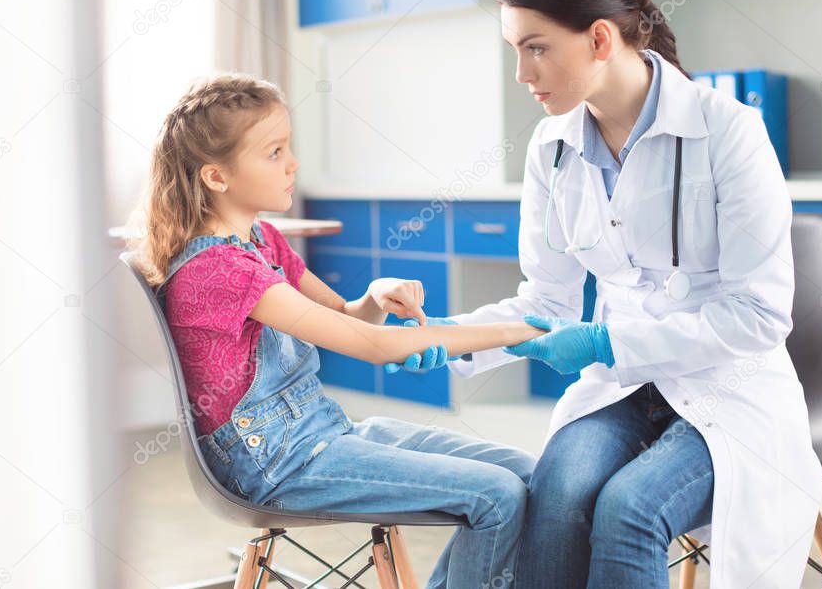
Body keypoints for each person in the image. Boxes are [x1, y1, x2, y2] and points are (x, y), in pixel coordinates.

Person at [412, 0, 822, 588]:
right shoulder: (551, 148)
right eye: (514, 50)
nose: (522, 74)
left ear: (599, 39)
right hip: (623, 385)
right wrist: (447, 336)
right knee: (557, 491)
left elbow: (757, 315)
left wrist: (606, 338)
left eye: (535, 47)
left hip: (730, 383)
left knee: (628, 510)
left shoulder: (727, 132)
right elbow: (543, 301)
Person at [127, 74, 544, 588]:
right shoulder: (220, 272)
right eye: (274, 152)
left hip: (319, 433)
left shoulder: (262, 240)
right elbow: (374, 346)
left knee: (525, 472)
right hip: (272, 463)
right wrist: (518, 332)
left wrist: (374, 296)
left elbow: (350, 321)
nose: (293, 164)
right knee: (496, 496)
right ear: (217, 176)